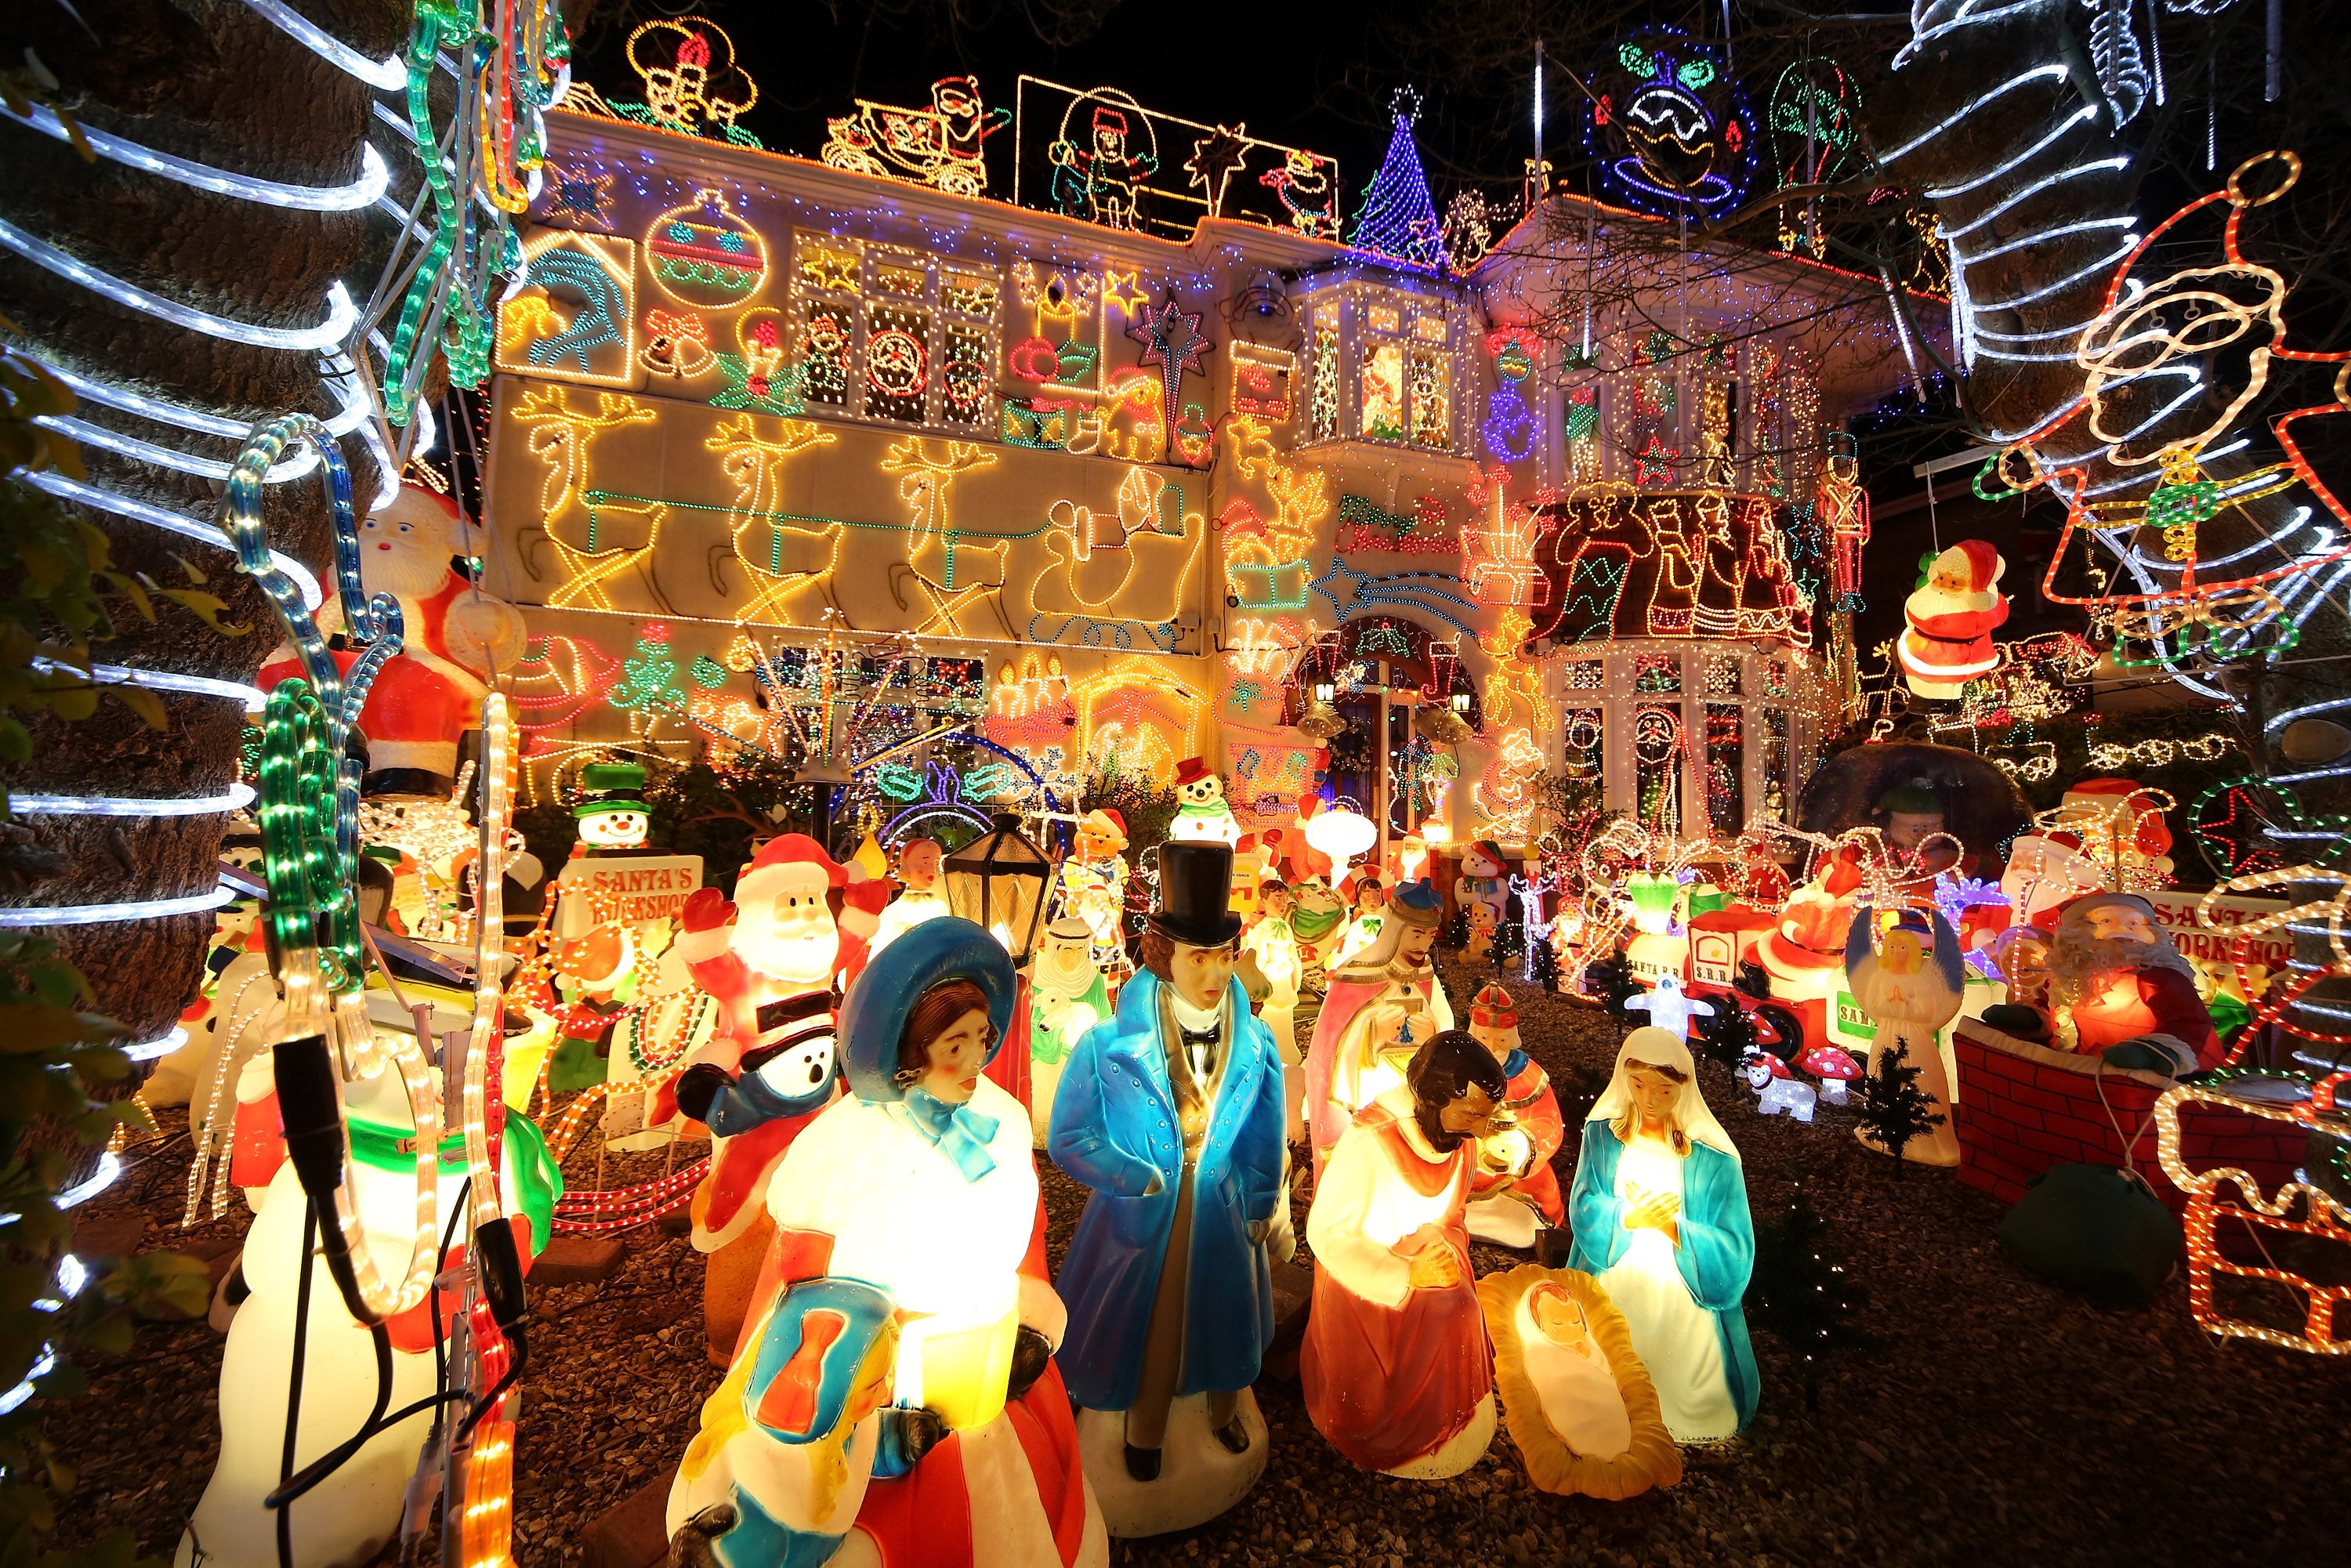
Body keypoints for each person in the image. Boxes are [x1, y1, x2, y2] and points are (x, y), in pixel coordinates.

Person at [666, 918, 1107, 1568]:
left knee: (999, 1502)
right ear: (910, 1046)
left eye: (982, 1040)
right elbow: (802, 1275)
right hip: (870, 1373)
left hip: (980, 1359)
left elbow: (1025, 1242)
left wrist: (1030, 1320)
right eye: (953, 1044)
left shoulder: (1003, 1125)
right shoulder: (846, 1145)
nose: (974, 1061)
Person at [1049, 841, 1288, 1515]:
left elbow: (1266, 1129)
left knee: (1221, 1309)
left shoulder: (1258, 1043)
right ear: (1165, 958)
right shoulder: (1105, 1047)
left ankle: (1220, 1410)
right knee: (1151, 1319)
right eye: (1197, 958)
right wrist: (1132, 1177)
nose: (1213, 974)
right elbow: (1070, 1136)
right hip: (1143, 1214)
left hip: (1220, 1202)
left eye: (1222, 957)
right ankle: (1144, 1426)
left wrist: (1262, 1197)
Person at [1301, 1029, 1505, 1477]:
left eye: (1487, 1117)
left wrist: (1443, 1247)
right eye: (1471, 1115)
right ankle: (1401, 1432)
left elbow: (1454, 1217)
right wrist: (1405, 1273)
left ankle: (1453, 1420)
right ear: (1434, 1099)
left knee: (1460, 1306)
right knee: (1443, 1311)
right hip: (1368, 1279)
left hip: (1431, 1259)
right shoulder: (1373, 1140)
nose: (1481, 1130)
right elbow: (1328, 1232)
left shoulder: (1460, 1145)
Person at [1567, 1027, 1758, 1443]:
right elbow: (1583, 1203)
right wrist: (1628, 1219)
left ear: (1684, 1090)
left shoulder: (1713, 1159)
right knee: (1606, 1353)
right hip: (1617, 1274)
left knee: (1675, 1374)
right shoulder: (1603, 1135)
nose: (1649, 1099)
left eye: (1664, 1091)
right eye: (1637, 1085)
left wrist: (1672, 1227)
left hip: (1680, 1290)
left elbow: (1735, 1246)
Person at [1305, 879, 1452, 1171]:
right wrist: (1372, 1037)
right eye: (1416, 935)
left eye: (1430, 937)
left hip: (1416, 1088)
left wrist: (1433, 1033)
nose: (1423, 946)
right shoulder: (1356, 975)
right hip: (1369, 1090)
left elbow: (1445, 1025)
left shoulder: (1424, 973)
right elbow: (1328, 1048)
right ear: (1396, 931)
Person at [1844, 907, 1966, 1165]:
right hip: (1887, 1033)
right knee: (1883, 1075)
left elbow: (1926, 1011)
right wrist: (1891, 1002)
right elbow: (1873, 1005)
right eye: (1893, 948)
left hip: (1914, 1038)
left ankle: (1922, 1137)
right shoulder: (1878, 976)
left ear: (1912, 952)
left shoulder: (1920, 981)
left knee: (1918, 1080)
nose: (1897, 953)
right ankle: (1880, 1129)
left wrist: (1906, 1005)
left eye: (1903, 948)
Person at [1462, 983, 1565, 1249]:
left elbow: (1550, 1124)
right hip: (1464, 1170)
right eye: (1484, 1039)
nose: (1493, 1047)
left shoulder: (1531, 1078)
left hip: (1516, 1180)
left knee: (1524, 1223)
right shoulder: (1458, 1069)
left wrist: (1520, 1144)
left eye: (1502, 1040)